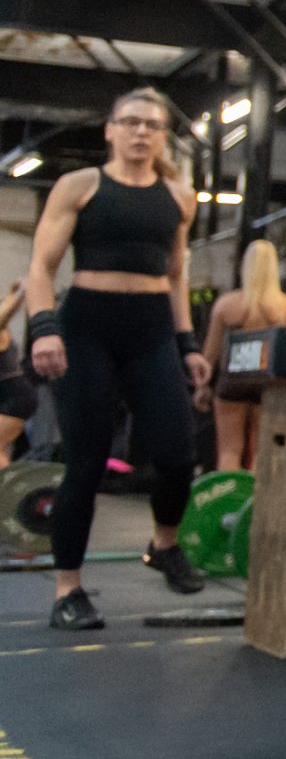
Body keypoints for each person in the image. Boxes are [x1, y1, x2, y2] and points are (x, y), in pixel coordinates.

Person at [22, 87, 213, 627]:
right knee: (85, 461)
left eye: (151, 125)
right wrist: (43, 328)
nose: (140, 132)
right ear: (110, 129)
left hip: (152, 329)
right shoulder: (79, 187)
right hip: (87, 327)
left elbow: (176, 276)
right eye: (129, 122)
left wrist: (188, 345)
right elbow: (41, 267)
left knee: (177, 455)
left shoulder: (179, 198)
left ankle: (163, 544)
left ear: (161, 136)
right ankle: (67, 591)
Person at [194, 240, 286, 470]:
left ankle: (228, 500)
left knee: (229, 451)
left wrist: (202, 387)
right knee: (262, 450)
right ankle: (256, 503)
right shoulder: (285, 306)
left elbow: (210, 353)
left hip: (232, 381)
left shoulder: (226, 305)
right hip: (266, 383)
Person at [0, 280, 37, 465]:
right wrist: (15, 293)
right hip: (11, 396)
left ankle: (3, 493)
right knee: (2, 448)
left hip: (15, 397)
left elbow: (5, 313)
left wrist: (22, 293)